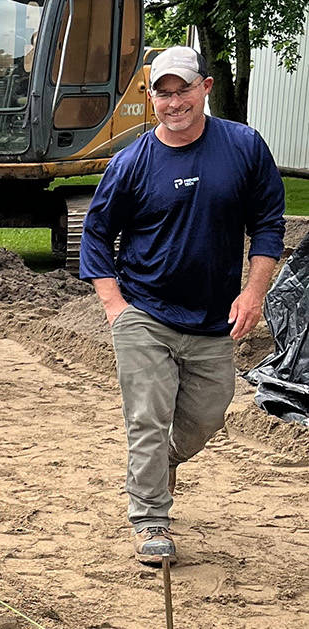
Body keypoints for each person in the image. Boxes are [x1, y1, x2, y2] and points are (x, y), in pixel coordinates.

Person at [79, 46, 285, 566]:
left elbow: (267, 225)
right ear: (151, 98)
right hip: (144, 313)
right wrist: (115, 308)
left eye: (183, 90)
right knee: (148, 417)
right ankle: (151, 518)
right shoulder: (132, 162)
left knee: (207, 415)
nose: (174, 102)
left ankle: (164, 462)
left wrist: (254, 291)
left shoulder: (242, 147)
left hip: (215, 317)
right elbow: (97, 234)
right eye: (162, 93)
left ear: (205, 88)